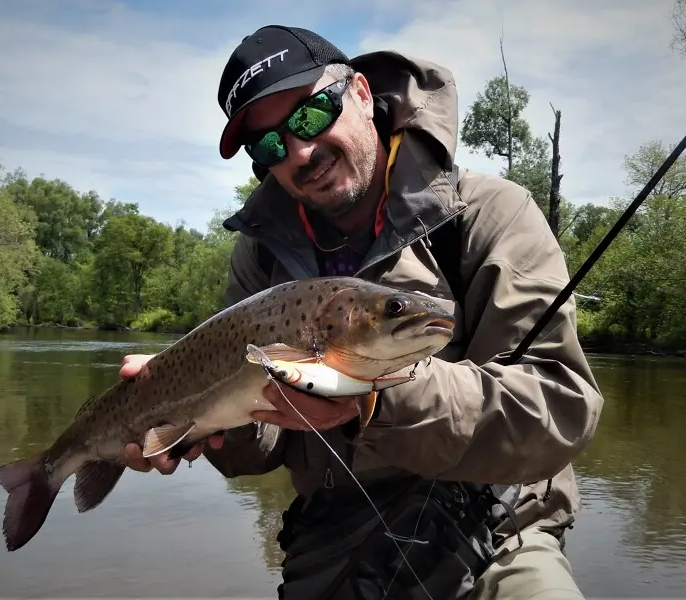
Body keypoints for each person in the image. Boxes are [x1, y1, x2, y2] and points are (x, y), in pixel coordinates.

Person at [119, 25, 604, 600]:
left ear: (361, 93)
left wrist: (369, 392)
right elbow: (261, 451)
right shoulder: (261, 252)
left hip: (497, 526)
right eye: (270, 145)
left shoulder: (490, 214)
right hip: (340, 539)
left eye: (309, 114)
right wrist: (203, 426)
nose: (300, 151)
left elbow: (559, 407)